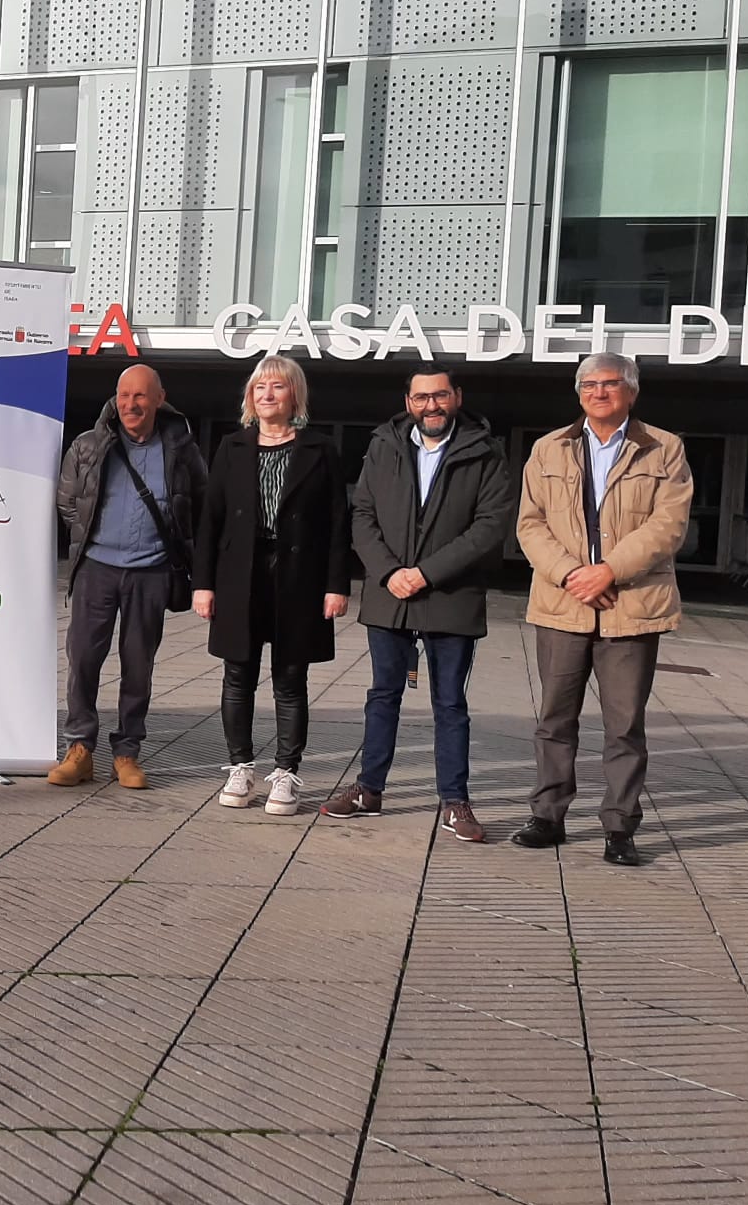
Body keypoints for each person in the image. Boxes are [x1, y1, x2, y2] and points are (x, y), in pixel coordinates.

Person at [513, 352, 693, 866]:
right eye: (589, 384)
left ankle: (619, 826)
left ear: (631, 391)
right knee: (554, 719)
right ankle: (548, 816)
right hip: (562, 603)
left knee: (624, 725)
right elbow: (530, 524)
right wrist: (573, 574)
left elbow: (668, 526)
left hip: (631, 606)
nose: (599, 392)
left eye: (610, 384)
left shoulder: (665, 449)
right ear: (578, 393)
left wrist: (609, 570)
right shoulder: (548, 449)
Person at [324, 364, 513, 841]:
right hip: (390, 595)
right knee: (381, 697)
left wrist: (426, 573)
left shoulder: (486, 452)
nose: (432, 405)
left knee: (450, 703)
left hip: (451, 595)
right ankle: (369, 790)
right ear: (408, 401)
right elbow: (362, 514)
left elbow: (490, 527)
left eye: (441, 395)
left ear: (457, 397)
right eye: (422, 397)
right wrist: (390, 572)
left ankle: (455, 802)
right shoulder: (383, 446)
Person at [192, 355, 349, 816]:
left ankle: (285, 773)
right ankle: (240, 766)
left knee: (290, 679)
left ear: (294, 395)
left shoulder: (321, 449)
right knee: (237, 675)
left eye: (277, 387)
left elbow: (338, 522)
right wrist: (203, 584)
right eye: (259, 387)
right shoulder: (231, 447)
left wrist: (336, 584)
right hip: (240, 573)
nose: (267, 395)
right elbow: (210, 521)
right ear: (249, 397)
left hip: (298, 577)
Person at [49, 364, 207, 791]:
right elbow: (67, 502)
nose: (130, 405)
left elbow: (200, 505)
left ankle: (127, 753)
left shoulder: (180, 449)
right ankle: (80, 749)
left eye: (140, 396)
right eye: (123, 396)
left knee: (139, 666)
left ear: (158, 398)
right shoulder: (88, 445)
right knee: (83, 660)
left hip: (151, 573)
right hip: (96, 570)